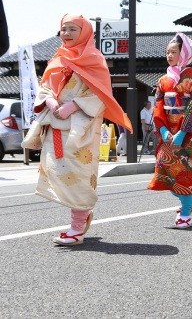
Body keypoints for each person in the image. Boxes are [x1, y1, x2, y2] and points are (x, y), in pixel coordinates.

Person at [21, 14, 132, 246]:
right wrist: (50, 102)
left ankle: (77, 226)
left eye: (73, 29)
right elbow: (44, 88)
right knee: (57, 171)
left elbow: (101, 94)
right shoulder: (57, 59)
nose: (67, 34)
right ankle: (80, 219)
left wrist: (74, 105)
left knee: (79, 176)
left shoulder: (95, 60)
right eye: (64, 29)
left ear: (85, 32)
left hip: (80, 129)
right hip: (56, 125)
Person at [148, 33, 192, 228]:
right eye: (167, 52)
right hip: (168, 131)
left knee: (185, 172)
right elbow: (158, 105)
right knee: (163, 167)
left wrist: (183, 132)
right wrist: (164, 130)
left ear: (184, 53)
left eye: (173, 52)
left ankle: (186, 209)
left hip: (187, 134)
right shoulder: (163, 80)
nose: (169, 55)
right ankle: (186, 202)